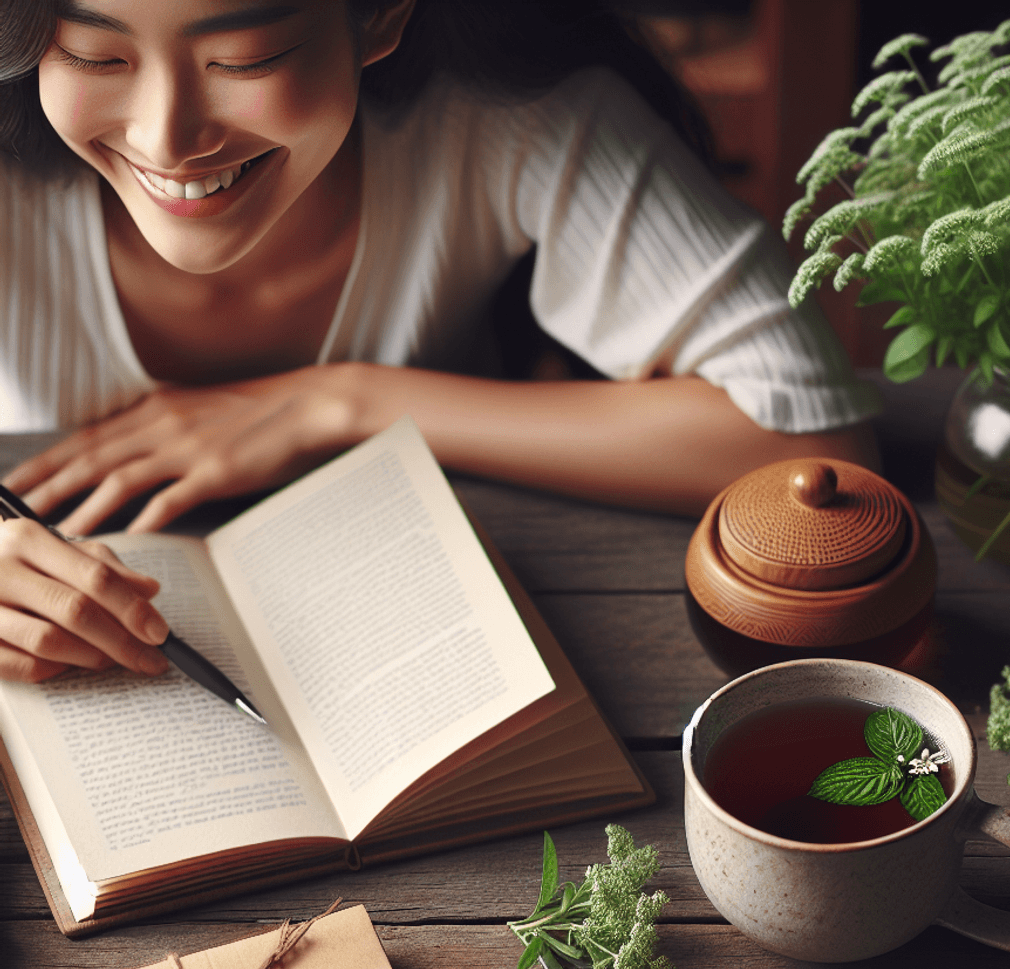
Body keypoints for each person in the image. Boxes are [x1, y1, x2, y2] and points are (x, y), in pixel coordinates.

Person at [0, 0, 882, 684]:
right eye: (93, 55)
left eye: (246, 58)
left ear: (381, 14)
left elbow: (813, 447)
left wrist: (343, 401)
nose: (167, 138)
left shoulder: (512, 118)